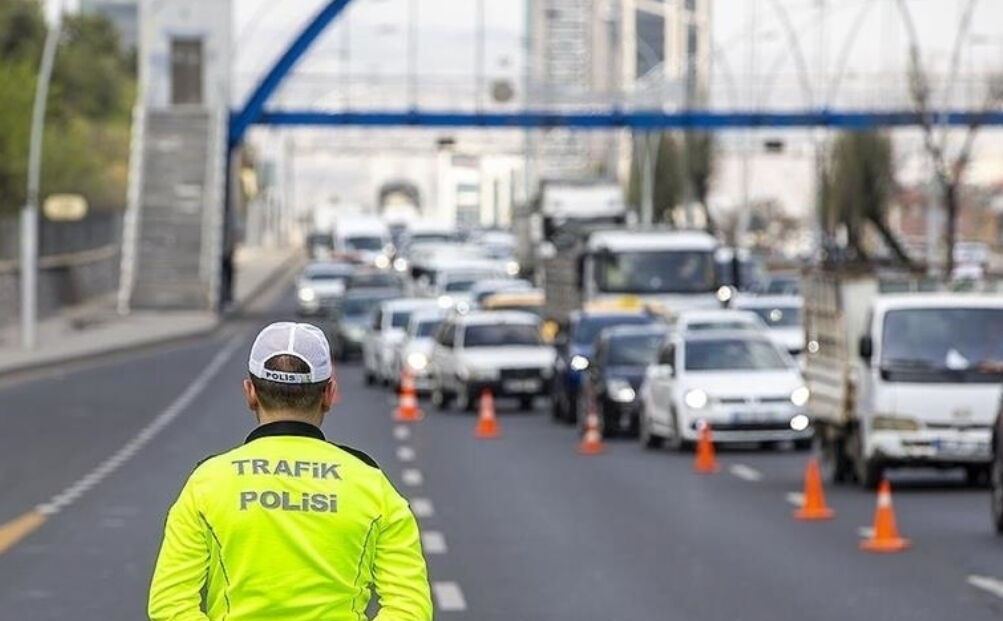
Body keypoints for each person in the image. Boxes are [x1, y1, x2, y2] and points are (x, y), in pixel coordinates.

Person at [148, 322, 432, 621]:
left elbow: (170, 605)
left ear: (250, 393)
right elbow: (410, 607)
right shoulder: (372, 485)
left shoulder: (207, 482)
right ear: (329, 394)